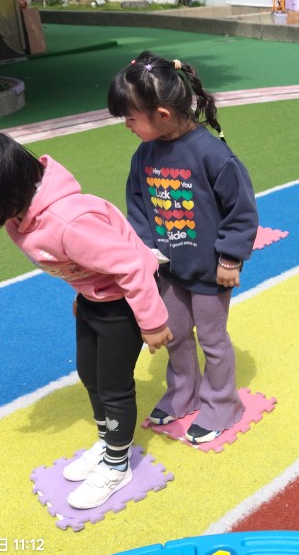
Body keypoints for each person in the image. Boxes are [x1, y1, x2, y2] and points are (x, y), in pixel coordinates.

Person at [0, 132, 172, 510]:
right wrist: (84, 295)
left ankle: (117, 464)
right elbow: (84, 265)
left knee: (113, 387)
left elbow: (133, 266)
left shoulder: (70, 222)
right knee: (90, 374)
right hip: (96, 301)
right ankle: (108, 443)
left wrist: (152, 322)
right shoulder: (21, 217)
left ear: (1, 189)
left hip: (124, 305)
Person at [108, 52, 258, 445]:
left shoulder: (212, 154)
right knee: (174, 333)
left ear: (161, 114)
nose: (126, 126)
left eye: (130, 118)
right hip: (168, 269)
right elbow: (137, 204)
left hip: (210, 271)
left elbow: (241, 209)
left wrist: (230, 258)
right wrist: (146, 250)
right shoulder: (145, 154)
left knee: (212, 340)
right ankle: (183, 392)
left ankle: (222, 404)